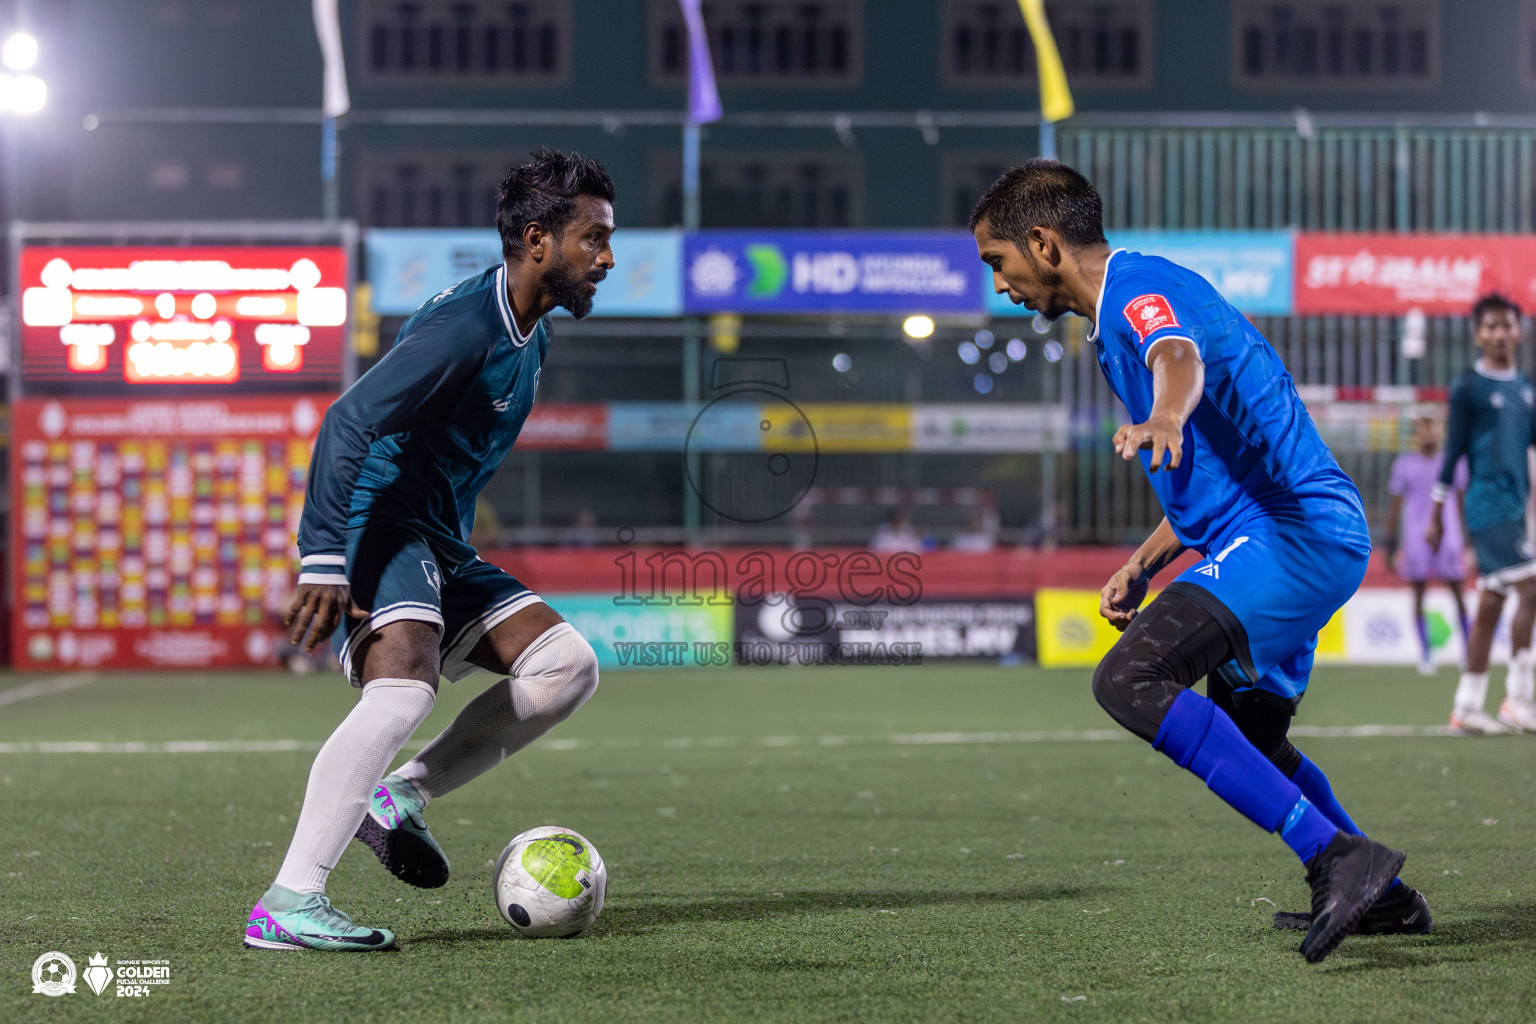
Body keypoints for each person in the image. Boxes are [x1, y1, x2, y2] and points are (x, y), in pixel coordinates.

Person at [970, 159, 1427, 965]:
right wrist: (1145, 561)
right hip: (1275, 531)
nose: (998, 284)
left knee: (1129, 679)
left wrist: (1165, 412)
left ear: (1041, 243)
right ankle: (1383, 895)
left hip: (1296, 532)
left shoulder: (1137, 291)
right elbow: (1211, 476)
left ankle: (1337, 859)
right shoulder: (1113, 314)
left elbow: (1176, 356)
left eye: (996, 262)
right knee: (1254, 739)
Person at [243, 148, 615, 951]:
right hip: (385, 519)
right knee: (403, 692)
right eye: (594, 239)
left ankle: (399, 797)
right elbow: (348, 422)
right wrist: (323, 559)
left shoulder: (531, 334)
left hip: (437, 535)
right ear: (537, 240)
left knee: (566, 667)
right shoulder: (465, 327)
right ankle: (288, 902)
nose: (608, 258)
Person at [1427, 295, 1536, 735]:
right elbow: (1452, 453)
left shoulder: (1527, 389)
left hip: (1515, 505)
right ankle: (1519, 698)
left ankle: (1467, 706)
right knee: (1530, 589)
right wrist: (1436, 512)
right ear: (1478, 334)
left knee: (1492, 603)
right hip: (1487, 504)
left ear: (1519, 331)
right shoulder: (1468, 387)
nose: (1499, 334)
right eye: (1490, 327)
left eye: (1506, 326)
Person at [1387, 415, 1469, 675]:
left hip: (1450, 536)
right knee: (1419, 593)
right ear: (1415, 434)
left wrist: (1468, 540)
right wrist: (1390, 545)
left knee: (1459, 592)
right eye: (1423, 428)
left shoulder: (1453, 461)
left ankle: (1468, 650)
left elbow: (1461, 501)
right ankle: (1425, 654)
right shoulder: (1404, 465)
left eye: (1433, 425)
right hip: (1416, 538)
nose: (1429, 432)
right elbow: (1395, 507)